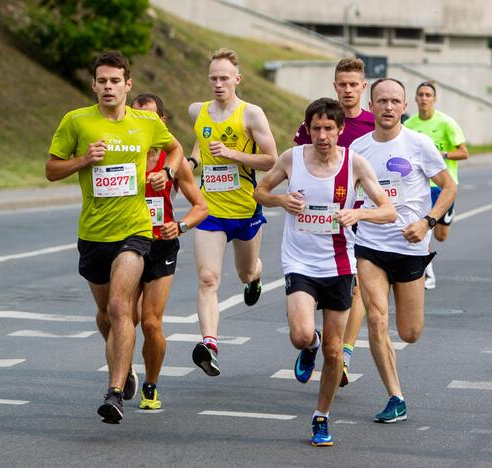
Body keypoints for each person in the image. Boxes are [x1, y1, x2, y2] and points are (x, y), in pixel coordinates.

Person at [45, 51, 184, 423]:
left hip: (135, 231)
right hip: (93, 234)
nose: (108, 87)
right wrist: (82, 160)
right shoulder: (76, 121)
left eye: (115, 81)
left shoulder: (146, 122)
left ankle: (114, 392)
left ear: (128, 84)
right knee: (107, 313)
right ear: (94, 85)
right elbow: (51, 170)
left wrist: (168, 174)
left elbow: (175, 148)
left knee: (123, 309)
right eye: (102, 81)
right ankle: (123, 366)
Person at [254, 98, 395, 446]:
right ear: (308, 129)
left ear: (340, 130)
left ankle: (321, 416)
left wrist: (357, 215)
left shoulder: (355, 164)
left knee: (335, 352)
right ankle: (309, 345)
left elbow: (388, 210)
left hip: (339, 265)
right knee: (302, 335)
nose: (322, 135)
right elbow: (259, 191)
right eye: (315, 128)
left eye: (329, 128)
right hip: (300, 263)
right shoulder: (292, 158)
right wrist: (280, 200)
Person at [351, 78, 457, 423]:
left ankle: (396, 387)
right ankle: (395, 397)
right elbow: (342, 189)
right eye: (382, 101)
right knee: (377, 320)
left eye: (395, 101)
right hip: (370, 244)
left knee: (409, 332)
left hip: (411, 247)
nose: (389, 107)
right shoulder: (358, 148)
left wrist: (428, 222)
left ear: (404, 106)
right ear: (372, 104)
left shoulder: (419, 144)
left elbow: (449, 187)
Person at [187, 48, 278, 376]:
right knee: (208, 278)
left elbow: (272, 159)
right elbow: (200, 138)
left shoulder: (251, 114)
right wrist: (194, 160)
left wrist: (232, 154)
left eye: (224, 78)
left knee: (245, 272)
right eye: (213, 78)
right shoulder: (197, 110)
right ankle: (209, 343)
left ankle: (256, 275)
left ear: (237, 80)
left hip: (244, 209)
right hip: (209, 209)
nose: (218, 83)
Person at [293, 57, 375, 389]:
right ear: (335, 85)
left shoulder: (373, 124)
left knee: (356, 289)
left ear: (363, 86)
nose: (348, 89)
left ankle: (343, 353)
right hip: (319, 221)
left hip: (360, 218)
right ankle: (313, 344)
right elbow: (297, 164)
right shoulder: (318, 121)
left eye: (354, 84)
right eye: (342, 83)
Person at [131, 94, 208, 409]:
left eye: (151, 117)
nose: (143, 123)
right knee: (118, 316)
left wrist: (181, 226)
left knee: (150, 322)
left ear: (162, 122)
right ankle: (121, 374)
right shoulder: (122, 155)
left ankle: (151, 384)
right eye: (137, 116)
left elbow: (201, 207)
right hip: (126, 242)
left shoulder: (170, 162)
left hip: (162, 244)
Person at [404, 81, 468, 289]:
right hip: (421, 185)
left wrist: (442, 154)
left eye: (428, 95)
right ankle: (427, 272)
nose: (424, 98)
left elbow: (464, 152)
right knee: (425, 228)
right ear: (415, 98)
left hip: (444, 185)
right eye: (420, 94)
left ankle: (427, 263)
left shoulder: (446, 123)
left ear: (434, 99)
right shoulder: (409, 125)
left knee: (440, 235)